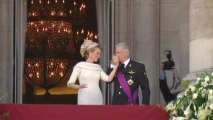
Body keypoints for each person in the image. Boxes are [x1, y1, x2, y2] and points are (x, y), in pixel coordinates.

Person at [67, 39, 119, 105]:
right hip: (84, 97)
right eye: (97, 53)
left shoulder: (98, 67)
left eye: (100, 54)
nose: (99, 56)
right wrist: (78, 87)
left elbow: (108, 79)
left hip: (98, 98)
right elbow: (69, 83)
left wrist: (116, 65)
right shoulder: (79, 66)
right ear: (90, 52)